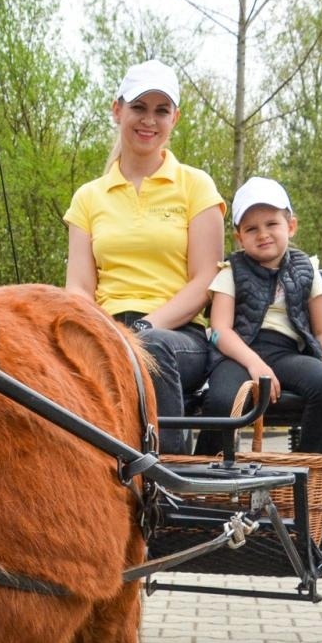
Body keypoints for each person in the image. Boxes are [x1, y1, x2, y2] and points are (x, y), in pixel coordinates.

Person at [65, 59, 226, 454]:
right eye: (139, 107)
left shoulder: (196, 186)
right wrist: (105, 332)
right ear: (117, 110)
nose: (149, 120)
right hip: (106, 329)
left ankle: (166, 475)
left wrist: (143, 329)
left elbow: (205, 281)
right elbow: (79, 288)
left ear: (175, 118)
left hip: (176, 335)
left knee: (149, 348)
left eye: (161, 110)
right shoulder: (88, 197)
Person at [199, 176, 322, 455]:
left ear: (291, 226)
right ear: (239, 238)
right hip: (238, 355)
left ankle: (307, 470)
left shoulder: (307, 271)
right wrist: (255, 363)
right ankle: (204, 471)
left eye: (272, 224)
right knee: (222, 401)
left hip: (287, 354)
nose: (262, 234)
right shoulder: (231, 271)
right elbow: (220, 330)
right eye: (251, 228)